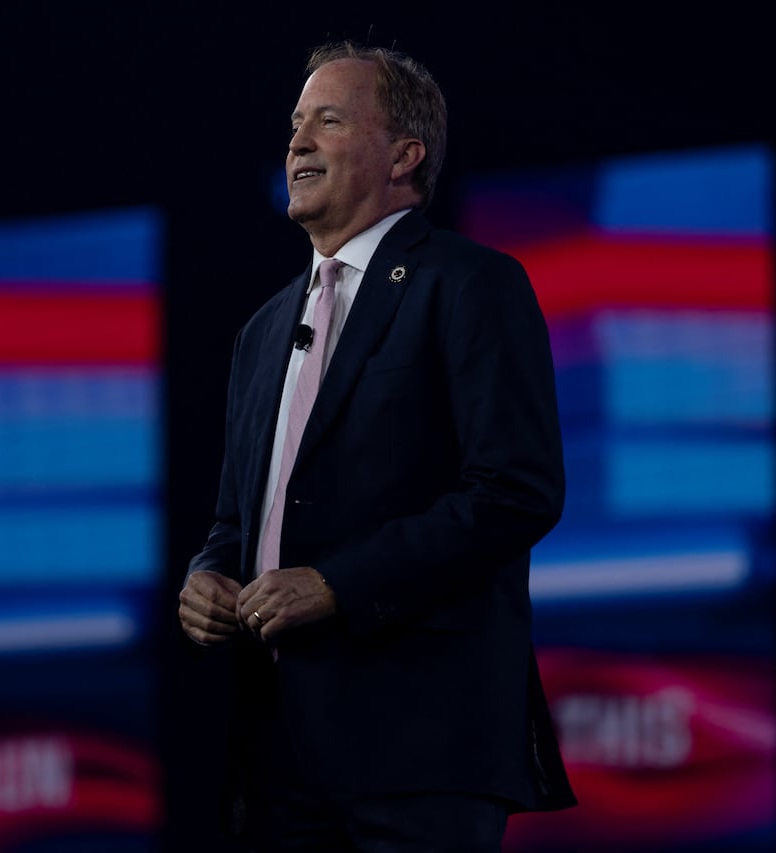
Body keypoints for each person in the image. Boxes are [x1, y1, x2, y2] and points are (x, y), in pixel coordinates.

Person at [177, 41, 575, 852]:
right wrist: (207, 577)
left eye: (328, 121)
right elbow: (236, 519)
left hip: (420, 745)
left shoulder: (470, 283)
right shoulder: (261, 330)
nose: (297, 142)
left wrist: (338, 584)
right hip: (277, 755)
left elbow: (515, 490)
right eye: (295, 125)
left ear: (404, 155)